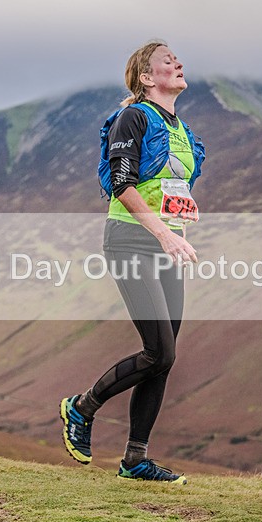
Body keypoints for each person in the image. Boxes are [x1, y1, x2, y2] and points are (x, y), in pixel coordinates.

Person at [60, 40, 205, 484]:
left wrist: (176, 228)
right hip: (130, 241)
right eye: (168, 61)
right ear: (146, 77)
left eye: (178, 59)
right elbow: (122, 183)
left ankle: (135, 460)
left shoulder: (180, 128)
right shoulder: (133, 116)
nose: (178, 64)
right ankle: (81, 407)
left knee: (165, 358)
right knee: (158, 349)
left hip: (165, 244)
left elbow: (169, 188)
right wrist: (162, 233)